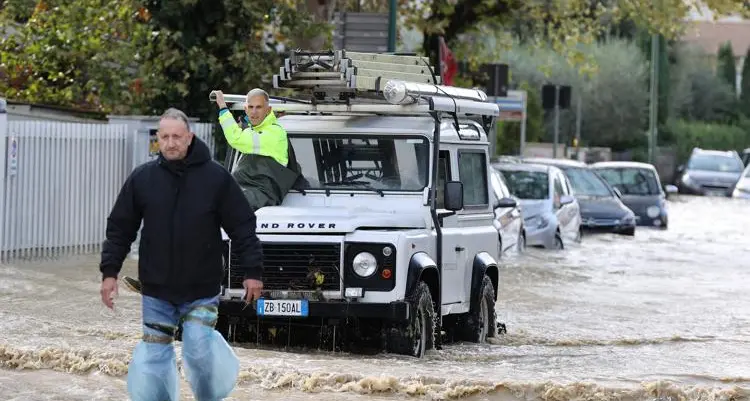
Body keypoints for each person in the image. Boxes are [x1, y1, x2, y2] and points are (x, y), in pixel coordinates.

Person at [99, 107, 264, 401]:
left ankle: (209, 397)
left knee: (199, 349)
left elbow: (242, 226)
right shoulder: (143, 178)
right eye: (164, 137)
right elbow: (120, 228)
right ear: (158, 140)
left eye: (177, 136)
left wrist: (252, 272)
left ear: (189, 137)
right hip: (156, 290)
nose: (171, 143)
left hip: (201, 288)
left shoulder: (216, 178)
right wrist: (109, 273)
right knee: (153, 361)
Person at [213, 88, 302, 210]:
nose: (254, 112)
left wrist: (223, 108)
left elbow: (236, 139)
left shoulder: (274, 133)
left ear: (268, 110)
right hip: (247, 191)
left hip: (262, 194)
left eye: (259, 107)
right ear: (246, 109)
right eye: (251, 107)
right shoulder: (253, 131)